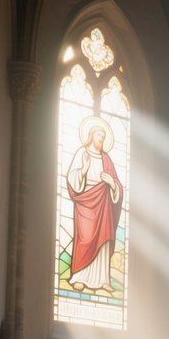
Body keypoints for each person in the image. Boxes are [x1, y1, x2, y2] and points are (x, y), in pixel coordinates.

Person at [66, 117, 123, 293]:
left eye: (104, 136)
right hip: (86, 201)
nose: (101, 139)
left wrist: (112, 183)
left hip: (103, 203)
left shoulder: (106, 159)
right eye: (99, 135)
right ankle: (80, 276)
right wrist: (82, 170)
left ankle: (102, 279)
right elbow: (72, 178)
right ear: (91, 135)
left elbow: (118, 185)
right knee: (85, 237)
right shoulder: (81, 154)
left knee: (103, 239)